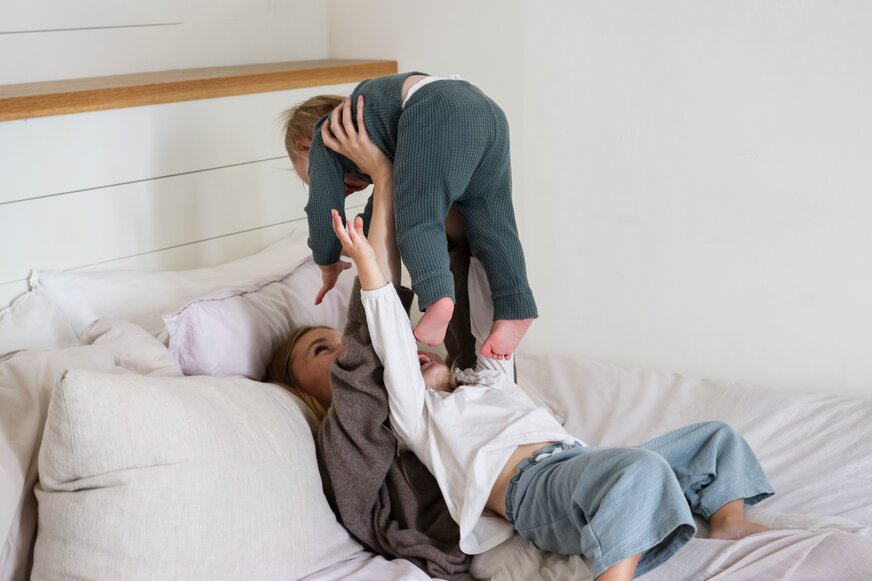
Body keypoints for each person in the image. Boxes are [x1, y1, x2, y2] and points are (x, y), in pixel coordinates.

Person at [274, 103, 775, 581]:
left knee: (714, 439)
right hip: (530, 492)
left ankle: (729, 521)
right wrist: (371, 270)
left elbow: (482, 298)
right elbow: (383, 344)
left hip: (571, 464)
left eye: (335, 338)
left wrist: (445, 194)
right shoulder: (416, 415)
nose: (343, 349)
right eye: (322, 350)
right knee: (637, 472)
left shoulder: (476, 382)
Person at [282, 72, 537, 360]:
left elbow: (322, 210)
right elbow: (383, 204)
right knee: (495, 225)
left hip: (439, 109)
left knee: (417, 218)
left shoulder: (325, 136)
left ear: (305, 145)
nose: (345, 190)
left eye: (310, 178)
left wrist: (326, 262)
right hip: (489, 116)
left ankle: (438, 298)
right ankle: (517, 307)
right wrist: (361, 239)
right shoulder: (383, 125)